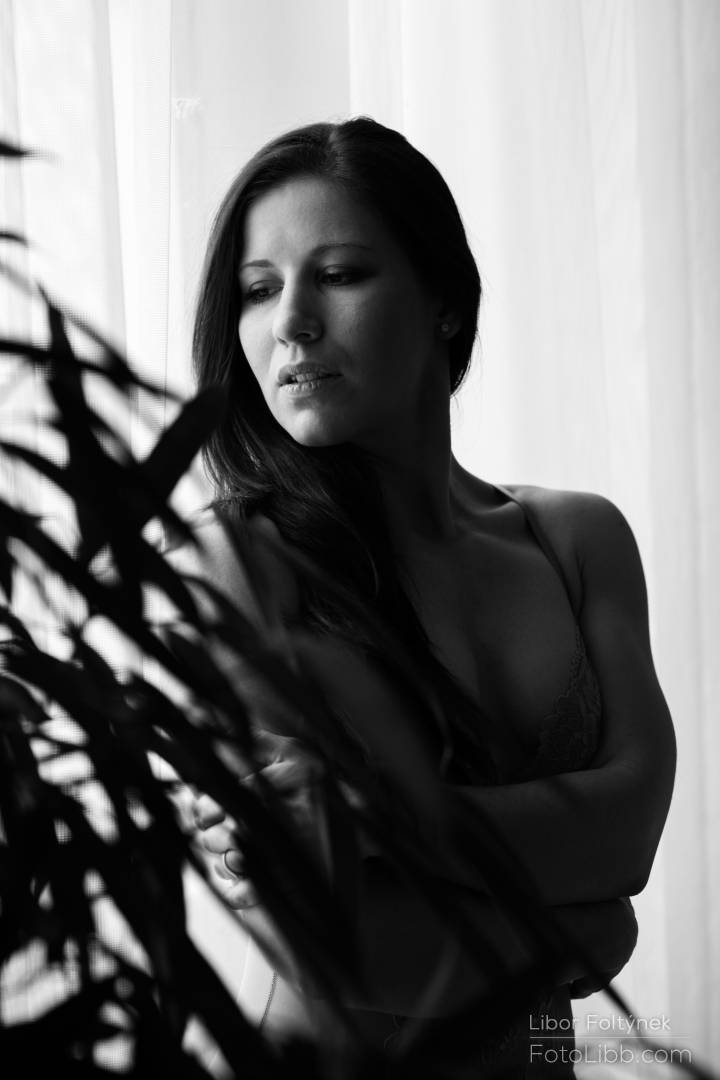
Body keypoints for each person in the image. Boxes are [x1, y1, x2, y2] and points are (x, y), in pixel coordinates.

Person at [189, 118, 675, 1076]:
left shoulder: (578, 541)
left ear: (445, 302)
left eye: (338, 274)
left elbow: (629, 833)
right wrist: (587, 938)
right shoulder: (238, 561)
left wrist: (383, 817)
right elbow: (321, 939)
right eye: (257, 289)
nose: (290, 322)